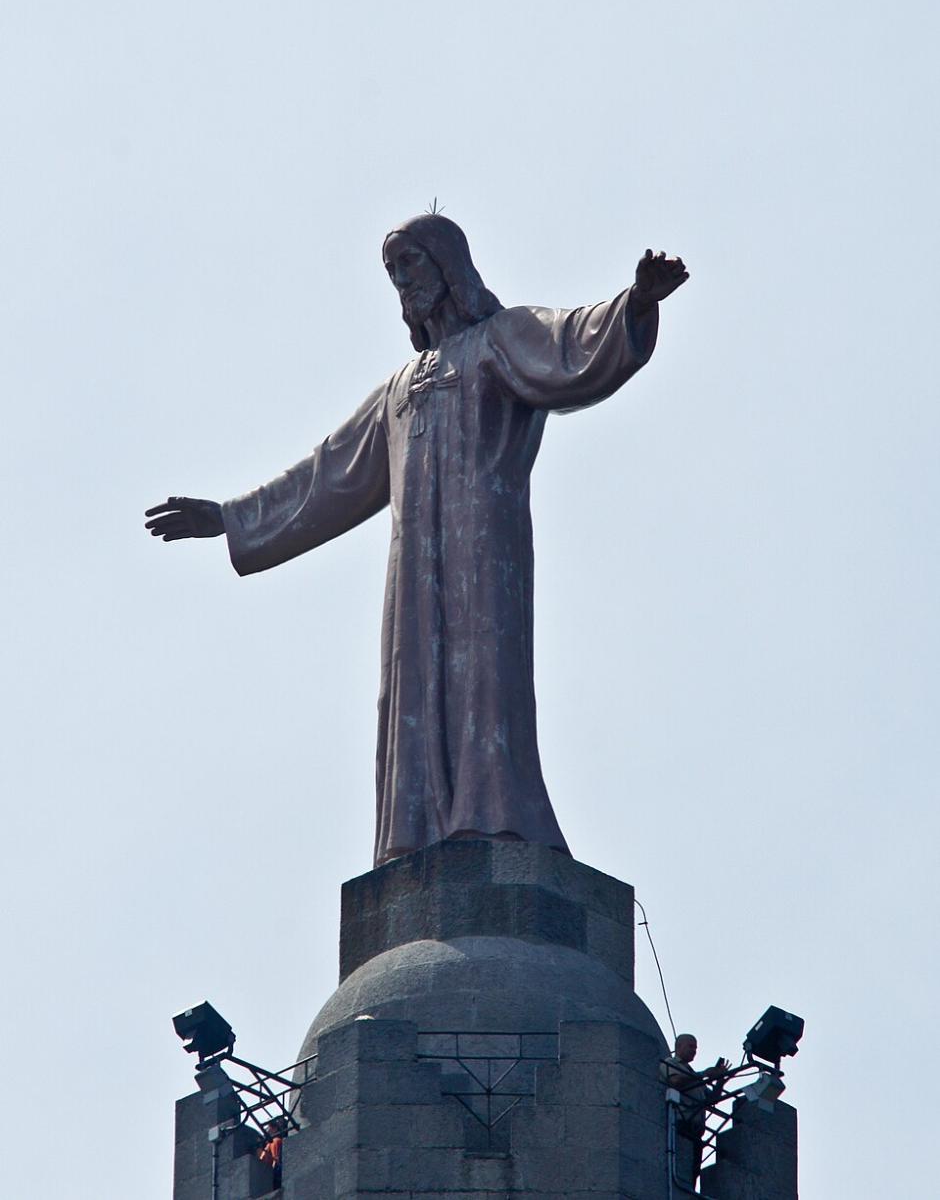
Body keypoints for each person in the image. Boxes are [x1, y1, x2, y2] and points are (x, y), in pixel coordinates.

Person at [145, 214, 689, 866]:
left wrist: (634, 304)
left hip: (486, 547)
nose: (401, 280)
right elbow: (326, 475)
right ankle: (418, 830)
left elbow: (569, 343)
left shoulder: (499, 340)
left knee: (485, 673)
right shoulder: (398, 391)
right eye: (392, 270)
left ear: (447, 267)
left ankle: (498, 815)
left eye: (411, 263)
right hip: (415, 569)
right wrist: (231, 518)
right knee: (412, 683)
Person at [660, 1034, 731, 1185]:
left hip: (696, 1131)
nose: (694, 1050)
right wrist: (704, 1074)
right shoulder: (670, 1063)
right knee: (679, 1173)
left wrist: (720, 1080)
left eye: (696, 1048)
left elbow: (711, 1100)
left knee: (692, 1175)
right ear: (679, 1047)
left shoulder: (693, 1075)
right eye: (691, 1046)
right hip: (680, 1126)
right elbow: (675, 1081)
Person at [257, 1118, 286, 1187]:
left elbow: (276, 1161)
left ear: (274, 1129)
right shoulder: (272, 1143)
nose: (266, 1131)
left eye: (268, 1128)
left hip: (274, 1176)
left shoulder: (275, 1141)